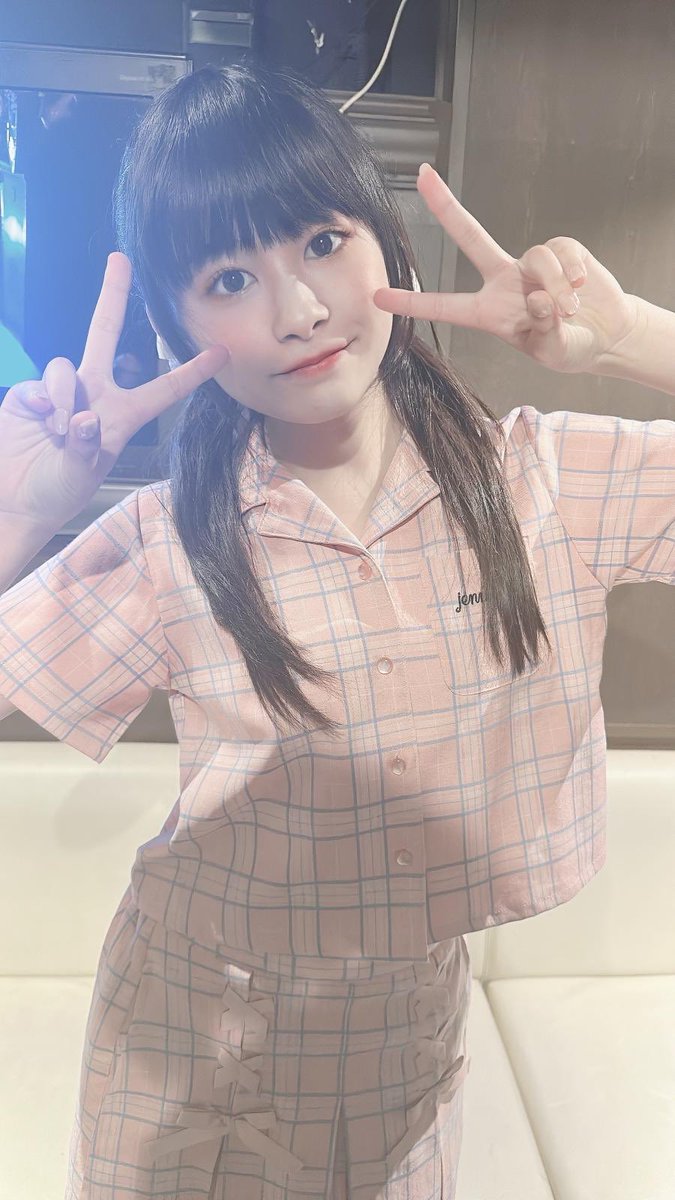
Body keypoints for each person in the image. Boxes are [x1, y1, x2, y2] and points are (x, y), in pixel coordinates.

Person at [0, 60, 672, 1200]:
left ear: (385, 241)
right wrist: (18, 513)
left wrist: (627, 340)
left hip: (402, 1057)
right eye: (228, 277)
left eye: (322, 242)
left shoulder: (542, 482)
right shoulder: (173, 541)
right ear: (173, 326)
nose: (300, 311)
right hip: (183, 1044)